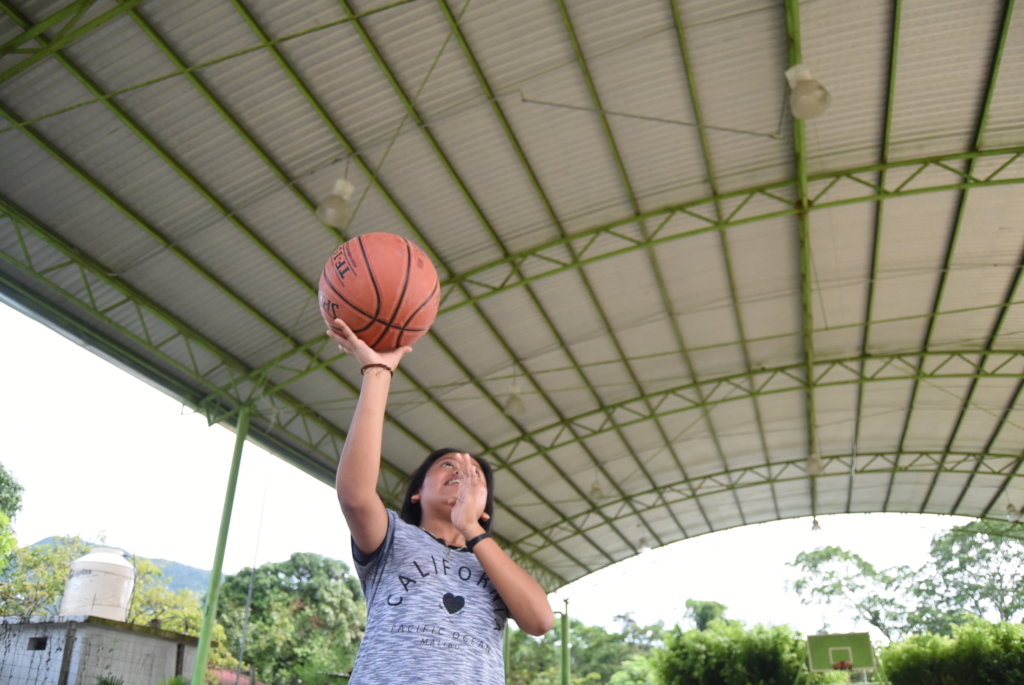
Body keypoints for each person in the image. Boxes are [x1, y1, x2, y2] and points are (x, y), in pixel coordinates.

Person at [328, 318, 554, 684]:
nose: (462, 473)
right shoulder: (393, 539)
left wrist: (471, 530)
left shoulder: (493, 566)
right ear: (417, 491)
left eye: (475, 476)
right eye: (447, 465)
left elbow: (540, 621)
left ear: (485, 508)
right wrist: (377, 372)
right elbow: (354, 495)